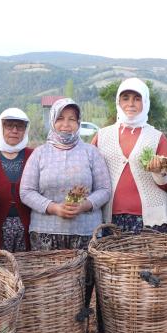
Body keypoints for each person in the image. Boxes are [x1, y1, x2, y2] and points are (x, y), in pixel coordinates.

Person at [20, 98, 111, 251]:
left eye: (72, 119)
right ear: (52, 121)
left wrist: (85, 205)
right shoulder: (40, 153)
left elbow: (104, 189)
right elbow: (26, 191)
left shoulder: (91, 152)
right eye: (60, 118)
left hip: (86, 232)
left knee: (84, 268)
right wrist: (54, 208)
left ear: (78, 122)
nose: (66, 124)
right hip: (45, 232)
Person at [93, 78, 167, 233]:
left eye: (137, 99)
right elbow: (89, 173)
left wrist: (159, 173)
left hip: (149, 221)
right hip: (109, 219)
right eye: (125, 98)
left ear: (145, 102)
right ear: (118, 102)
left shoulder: (157, 137)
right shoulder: (102, 136)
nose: (131, 103)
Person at [0, 108, 33, 252]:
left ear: (25, 130)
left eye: (20, 126)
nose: (14, 130)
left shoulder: (33, 155)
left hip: (26, 225)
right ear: (1, 128)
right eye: (9, 125)